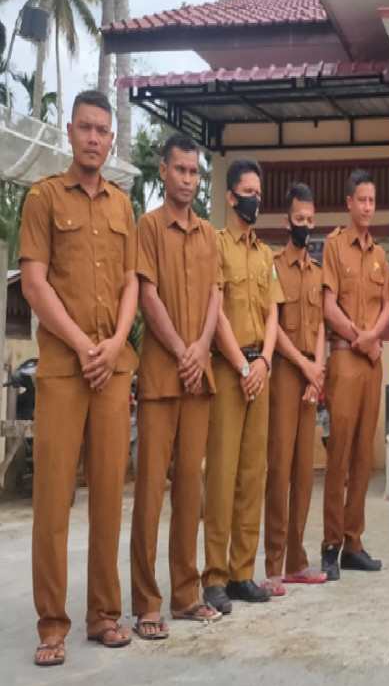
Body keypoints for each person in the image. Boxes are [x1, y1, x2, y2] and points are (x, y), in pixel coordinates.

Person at [20, 90, 139, 666]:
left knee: (110, 496)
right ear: (69, 133)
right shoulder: (42, 198)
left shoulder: (123, 206)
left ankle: (104, 614)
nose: (94, 138)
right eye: (85, 128)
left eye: (102, 130)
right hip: (64, 372)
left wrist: (115, 343)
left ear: (111, 139)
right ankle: (52, 623)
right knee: (53, 499)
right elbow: (34, 283)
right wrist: (83, 343)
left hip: (112, 370)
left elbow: (133, 284)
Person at [130, 133, 223, 641]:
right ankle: (147, 602)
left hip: (197, 378)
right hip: (163, 379)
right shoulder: (147, 227)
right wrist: (182, 350)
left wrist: (201, 347)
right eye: (180, 170)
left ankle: (186, 594)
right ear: (163, 171)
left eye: (195, 172)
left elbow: (215, 297)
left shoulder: (209, 234)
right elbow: (147, 294)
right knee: (149, 492)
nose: (188, 179)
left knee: (191, 488)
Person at [202, 158, 284, 613]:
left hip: (261, 372)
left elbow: (273, 312)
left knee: (254, 474)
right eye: (247, 191)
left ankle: (241, 573)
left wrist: (266, 362)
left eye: (259, 191)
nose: (255, 198)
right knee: (222, 475)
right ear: (231, 196)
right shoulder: (216, 246)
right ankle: (213, 576)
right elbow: (213, 312)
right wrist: (240, 365)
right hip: (229, 371)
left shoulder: (264, 254)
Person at [320, 169, 389, 577]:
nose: (367, 207)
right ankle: (330, 543)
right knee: (340, 454)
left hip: (371, 362)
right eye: (361, 200)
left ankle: (354, 541)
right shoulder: (333, 246)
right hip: (346, 358)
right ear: (349, 202)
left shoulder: (380, 255)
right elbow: (328, 305)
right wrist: (360, 337)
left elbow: (386, 307)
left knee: (364, 456)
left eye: (372, 201)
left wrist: (372, 336)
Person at [264, 183, 328, 588]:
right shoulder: (274, 266)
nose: (304, 226)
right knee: (280, 471)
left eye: (310, 220)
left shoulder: (318, 272)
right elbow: (274, 324)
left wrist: (318, 370)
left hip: (310, 376)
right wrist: (305, 366)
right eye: (298, 220)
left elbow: (321, 324)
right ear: (287, 222)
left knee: (305, 472)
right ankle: (272, 566)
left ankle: (297, 559)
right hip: (286, 373)